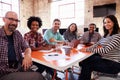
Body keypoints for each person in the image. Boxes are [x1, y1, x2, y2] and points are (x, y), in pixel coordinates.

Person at [0, 11, 45, 80]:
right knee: (38, 77)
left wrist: (27, 55)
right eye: (11, 19)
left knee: (41, 72)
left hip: (19, 67)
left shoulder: (17, 34)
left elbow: (27, 47)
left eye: (16, 20)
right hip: (4, 72)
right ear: (4, 19)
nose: (14, 23)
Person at [78, 15, 120, 80]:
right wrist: (85, 49)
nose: (106, 24)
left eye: (109, 22)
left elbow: (105, 50)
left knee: (86, 64)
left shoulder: (117, 36)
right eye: (105, 22)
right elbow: (96, 44)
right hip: (105, 59)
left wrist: (87, 49)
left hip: (113, 64)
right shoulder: (106, 35)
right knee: (85, 60)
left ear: (114, 22)